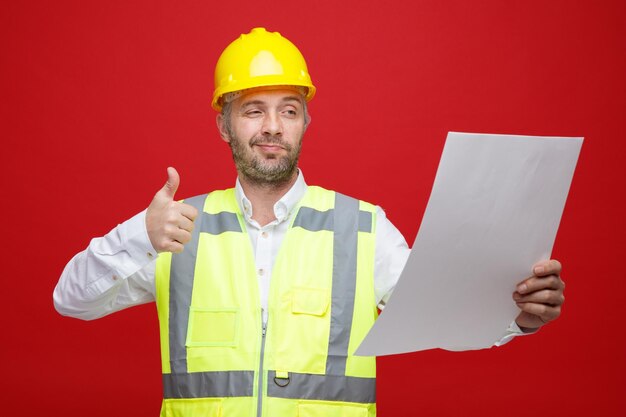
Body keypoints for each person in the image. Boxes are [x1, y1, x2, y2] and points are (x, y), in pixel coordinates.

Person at [54, 27, 565, 417]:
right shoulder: (174, 230)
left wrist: (516, 317)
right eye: (253, 110)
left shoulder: (364, 228)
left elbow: (442, 316)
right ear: (223, 123)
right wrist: (136, 237)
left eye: (289, 110)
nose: (272, 127)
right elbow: (70, 301)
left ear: (306, 121)